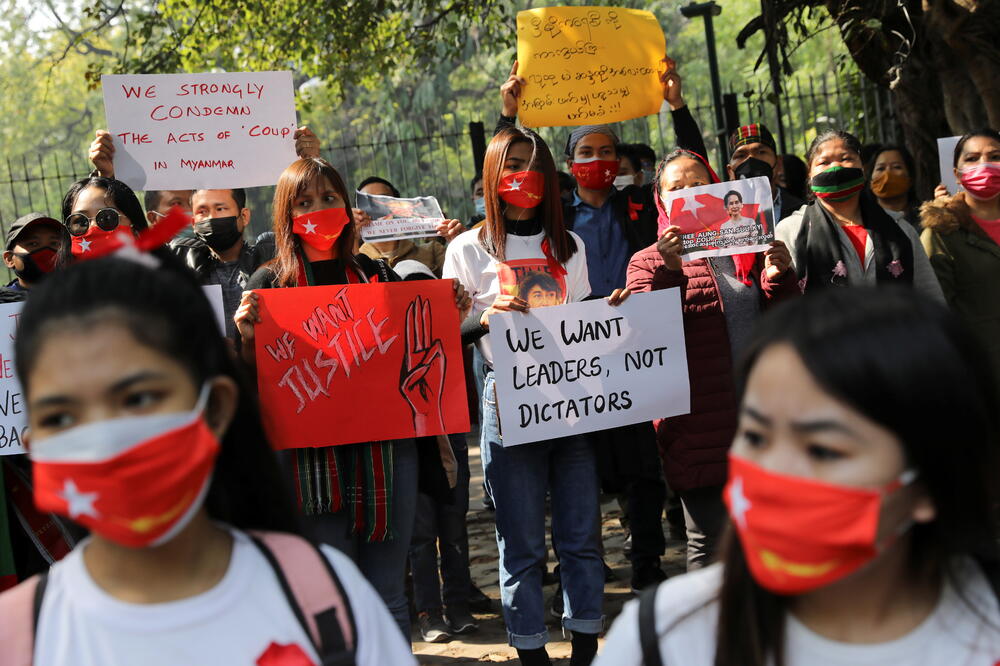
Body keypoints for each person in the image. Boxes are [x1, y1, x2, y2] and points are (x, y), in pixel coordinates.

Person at [0, 254, 414, 665]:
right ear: (35, 445)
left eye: (139, 398)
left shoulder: (322, 595)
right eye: (62, 417)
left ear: (215, 408)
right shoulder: (19, 637)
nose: (102, 438)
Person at [596, 287, 1000, 665]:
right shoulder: (664, 636)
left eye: (822, 449)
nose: (773, 470)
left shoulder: (986, 629)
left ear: (932, 482)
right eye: (755, 435)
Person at [234, 156, 470, 641]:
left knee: (387, 593)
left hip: (387, 455)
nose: (318, 210)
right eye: (304, 203)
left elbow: (417, 347)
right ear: (286, 216)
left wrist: (453, 310)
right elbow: (252, 383)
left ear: (347, 208)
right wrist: (244, 338)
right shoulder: (266, 286)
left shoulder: (376, 276)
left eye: (329, 199)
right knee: (333, 594)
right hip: (306, 462)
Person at [443, 125, 628, 666]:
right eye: (512, 163)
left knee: (581, 535)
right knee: (520, 543)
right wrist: (485, 318)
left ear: (550, 177)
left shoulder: (572, 247)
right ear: (492, 175)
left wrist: (610, 315)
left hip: (571, 401)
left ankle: (586, 644)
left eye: (533, 164)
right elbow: (450, 333)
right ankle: (530, 651)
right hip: (510, 404)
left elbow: (584, 325)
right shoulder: (466, 249)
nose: (522, 174)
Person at [627, 148, 798, 570]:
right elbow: (648, 335)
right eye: (677, 188)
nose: (689, 194)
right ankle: (712, 634)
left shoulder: (753, 245)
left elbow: (790, 326)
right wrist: (670, 269)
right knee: (710, 545)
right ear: (660, 200)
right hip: (698, 425)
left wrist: (780, 279)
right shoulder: (646, 261)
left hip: (764, 417)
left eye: (699, 185)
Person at [774, 129, 943, 300]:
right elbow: (784, 301)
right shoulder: (791, 231)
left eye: (846, 159)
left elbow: (929, 295)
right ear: (809, 174)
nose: (835, 168)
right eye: (824, 162)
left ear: (863, 168)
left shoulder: (899, 229)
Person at [921, 128, 1000, 406]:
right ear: (956, 173)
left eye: (995, 156)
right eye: (973, 158)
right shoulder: (941, 234)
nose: (984, 166)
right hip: (981, 379)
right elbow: (934, 313)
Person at [171, 188, 271, 339]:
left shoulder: (269, 263)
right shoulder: (182, 270)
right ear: (193, 223)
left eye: (220, 209)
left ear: (244, 216)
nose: (211, 217)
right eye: (202, 212)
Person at [87, 129, 196, 236]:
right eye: (176, 204)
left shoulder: (211, 250)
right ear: (153, 218)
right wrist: (106, 177)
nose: (190, 211)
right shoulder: (138, 253)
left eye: (193, 203)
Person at [356, 176, 463, 276]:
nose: (378, 210)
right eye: (369, 203)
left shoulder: (432, 251)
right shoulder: (354, 260)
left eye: (384, 201)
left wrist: (461, 243)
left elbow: (465, 282)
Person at [727, 124, 805, 222]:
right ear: (730, 172)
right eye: (741, 155)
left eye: (761, 152)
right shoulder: (719, 219)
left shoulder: (803, 212)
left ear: (779, 164)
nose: (751, 160)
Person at [1, 213, 65, 295]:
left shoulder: (79, 297)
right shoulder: (4, 303)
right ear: (9, 259)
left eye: (54, 243)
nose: (46, 252)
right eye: (33, 244)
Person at [868, 144, 921, 229]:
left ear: (910, 178)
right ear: (871, 181)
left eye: (896, 167)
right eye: (880, 168)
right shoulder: (862, 221)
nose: (887, 173)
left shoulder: (927, 219)